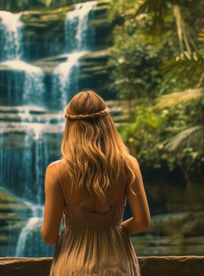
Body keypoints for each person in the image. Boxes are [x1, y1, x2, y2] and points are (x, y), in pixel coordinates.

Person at [41, 90, 150, 275]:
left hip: (72, 263)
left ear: (70, 125)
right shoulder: (128, 165)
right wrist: (112, 230)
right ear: (107, 122)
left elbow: (50, 236)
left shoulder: (56, 171)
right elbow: (142, 222)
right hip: (117, 261)